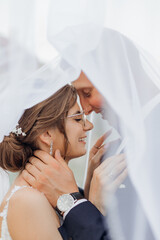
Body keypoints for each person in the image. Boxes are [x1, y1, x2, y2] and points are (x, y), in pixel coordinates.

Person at [0, 84, 126, 240]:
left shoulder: (44, 194)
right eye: (78, 119)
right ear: (46, 134)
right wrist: (95, 207)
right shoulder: (28, 201)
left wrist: (87, 191)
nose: (89, 126)